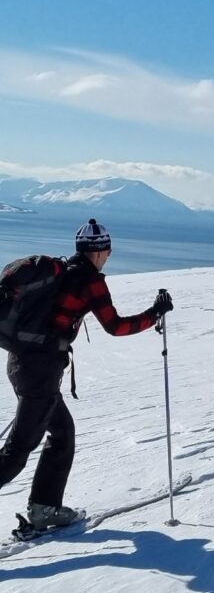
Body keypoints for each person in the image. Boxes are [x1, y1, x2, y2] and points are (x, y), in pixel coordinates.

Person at [0, 218, 173, 529]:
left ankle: (44, 507)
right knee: (19, 448)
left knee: (62, 432)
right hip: (39, 370)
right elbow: (116, 326)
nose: (108, 257)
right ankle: (44, 507)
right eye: (107, 251)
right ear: (100, 251)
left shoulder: (63, 270)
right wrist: (154, 314)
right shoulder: (90, 281)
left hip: (22, 362)